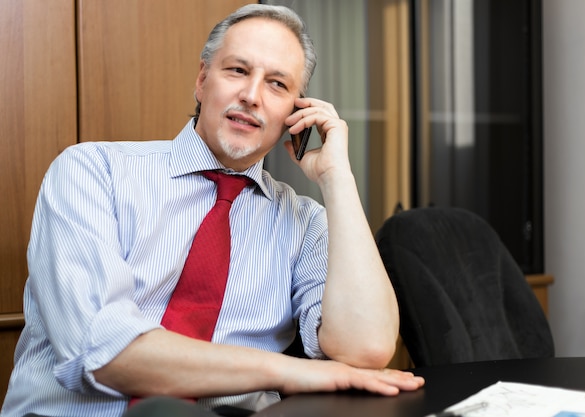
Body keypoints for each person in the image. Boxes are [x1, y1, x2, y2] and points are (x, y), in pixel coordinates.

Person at [1, 4, 424, 417]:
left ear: (296, 114)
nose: (252, 95)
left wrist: (338, 179)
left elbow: (366, 347)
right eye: (237, 70)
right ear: (202, 81)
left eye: (278, 84)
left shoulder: (305, 222)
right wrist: (291, 373)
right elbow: (104, 351)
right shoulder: (93, 171)